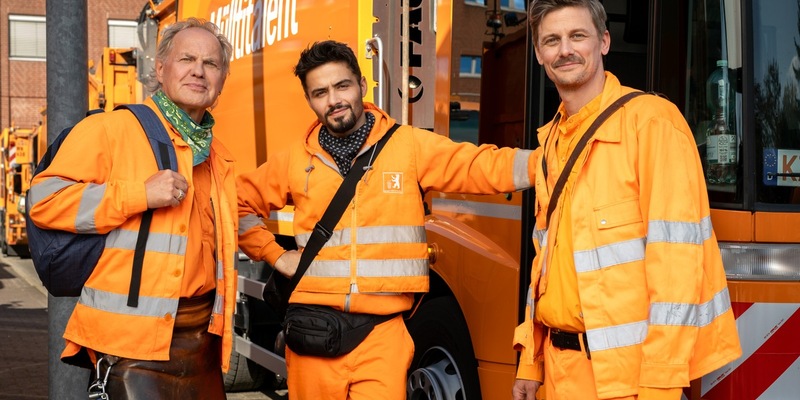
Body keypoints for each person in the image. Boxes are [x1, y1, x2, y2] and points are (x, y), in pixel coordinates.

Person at [236, 40, 535, 399]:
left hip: (383, 335)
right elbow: (236, 203)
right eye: (320, 92)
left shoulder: (407, 145)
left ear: (362, 86)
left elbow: (478, 166)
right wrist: (274, 254)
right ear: (310, 100)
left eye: (342, 85)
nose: (334, 99)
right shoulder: (294, 160)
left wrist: (547, 161)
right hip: (312, 332)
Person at [512, 1, 742, 399]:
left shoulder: (652, 123)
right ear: (539, 54)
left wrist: (659, 384)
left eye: (577, 36)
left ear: (603, 42)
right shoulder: (551, 139)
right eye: (552, 40)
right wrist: (530, 361)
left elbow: (677, 268)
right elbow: (546, 263)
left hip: (629, 383)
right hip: (559, 373)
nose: (564, 49)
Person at [27, 18, 237, 399]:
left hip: (200, 343)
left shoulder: (216, 154)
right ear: (160, 69)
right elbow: (44, 201)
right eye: (187, 58)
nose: (199, 71)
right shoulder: (112, 130)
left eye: (211, 63)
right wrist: (137, 195)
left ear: (222, 78)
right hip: (129, 346)